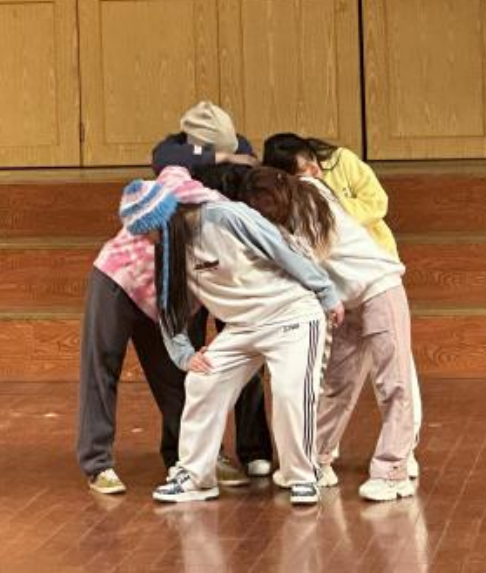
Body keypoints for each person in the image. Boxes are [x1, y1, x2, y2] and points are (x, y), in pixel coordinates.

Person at [197, 164, 423, 501]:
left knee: (394, 383)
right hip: (343, 303)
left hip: (378, 288)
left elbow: (301, 266)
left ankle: (393, 471)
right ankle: (315, 461)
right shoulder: (282, 216)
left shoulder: (311, 196)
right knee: (336, 385)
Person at [116, 178, 345, 505]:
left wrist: (325, 291)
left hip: (290, 314)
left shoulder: (224, 217)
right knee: (202, 380)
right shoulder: (169, 251)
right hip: (242, 327)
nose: (147, 241)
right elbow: (169, 308)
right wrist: (184, 355)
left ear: (164, 220)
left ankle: (302, 476)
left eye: (148, 232)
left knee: (289, 392)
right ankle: (195, 477)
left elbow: (283, 248)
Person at [76, 167, 244, 494]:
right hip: (118, 279)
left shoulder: (227, 220)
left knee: (179, 375)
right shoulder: (181, 193)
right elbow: (169, 169)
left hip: (167, 300)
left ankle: (192, 457)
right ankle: (98, 463)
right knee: (102, 367)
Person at [152, 101, 273, 479]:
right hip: (187, 263)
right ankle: (182, 450)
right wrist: (220, 157)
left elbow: (248, 161)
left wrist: (222, 156)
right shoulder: (172, 149)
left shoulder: (238, 143)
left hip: (227, 263)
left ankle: (254, 448)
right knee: (188, 359)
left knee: (246, 353)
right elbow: (163, 160)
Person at [263, 134, 398, 260]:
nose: (315, 168)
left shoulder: (342, 159)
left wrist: (329, 203)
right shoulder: (285, 194)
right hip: (331, 261)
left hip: (374, 249)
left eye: (311, 158)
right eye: (304, 169)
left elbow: (377, 204)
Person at [152, 100, 259, 173]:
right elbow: (161, 158)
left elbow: (251, 163)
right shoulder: (176, 147)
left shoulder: (238, 143)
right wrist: (225, 157)